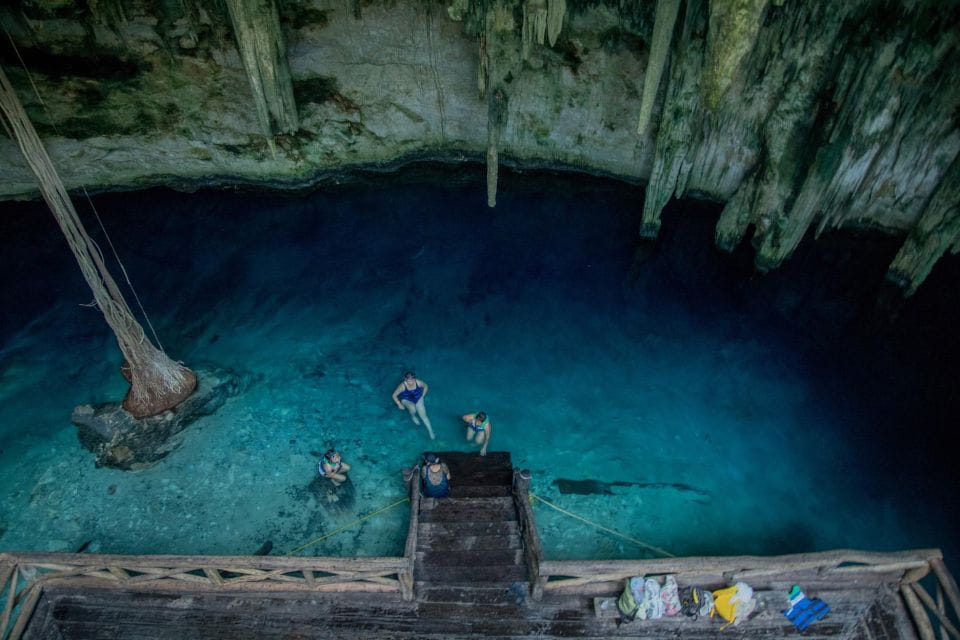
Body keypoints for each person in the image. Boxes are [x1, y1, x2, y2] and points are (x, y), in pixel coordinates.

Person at [391, 371, 435, 439]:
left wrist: (423, 396)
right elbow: (394, 395)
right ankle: (413, 416)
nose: (411, 382)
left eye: (412, 380)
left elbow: (426, 386)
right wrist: (399, 404)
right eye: (409, 381)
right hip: (406, 399)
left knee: (423, 415)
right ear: (405, 379)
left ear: (414, 379)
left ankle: (430, 431)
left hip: (418, 398)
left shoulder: (418, 382)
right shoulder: (402, 386)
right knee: (412, 409)